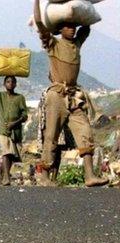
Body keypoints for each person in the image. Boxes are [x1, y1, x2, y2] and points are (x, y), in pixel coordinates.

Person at [33, 0, 108, 187]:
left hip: (75, 96)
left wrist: (84, 5)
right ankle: (44, 176)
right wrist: (37, 2)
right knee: (51, 135)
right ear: (59, 29)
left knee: (85, 132)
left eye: (74, 25)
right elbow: (40, 24)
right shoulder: (53, 44)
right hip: (57, 95)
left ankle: (90, 175)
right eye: (68, 25)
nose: (72, 29)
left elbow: (87, 27)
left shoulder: (77, 44)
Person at [0, 67, 28, 186]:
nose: (10, 84)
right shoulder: (0, 96)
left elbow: (25, 116)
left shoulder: (20, 98)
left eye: (13, 82)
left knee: (12, 155)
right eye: (8, 81)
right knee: (6, 152)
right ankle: (6, 177)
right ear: (4, 84)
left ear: (16, 84)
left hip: (16, 131)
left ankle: (5, 175)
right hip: (4, 130)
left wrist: (15, 122)